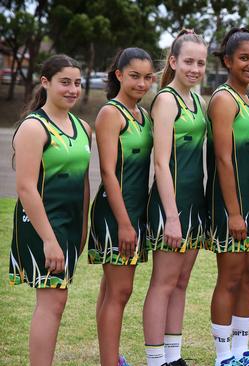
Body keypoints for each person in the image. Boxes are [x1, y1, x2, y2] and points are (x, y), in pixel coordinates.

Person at [9, 54, 91, 365]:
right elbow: (26, 188)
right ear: (45, 83)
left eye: (77, 83)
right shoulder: (34, 127)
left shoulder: (83, 127)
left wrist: (81, 229)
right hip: (42, 226)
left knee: (57, 300)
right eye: (65, 82)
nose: (72, 89)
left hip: (69, 226)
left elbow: (82, 183)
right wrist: (49, 239)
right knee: (52, 302)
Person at [143, 29, 208, 366]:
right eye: (188, 62)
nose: (195, 68)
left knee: (181, 282)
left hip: (194, 204)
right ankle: (156, 360)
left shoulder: (196, 99)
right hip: (172, 206)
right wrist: (171, 215)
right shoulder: (166, 99)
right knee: (164, 283)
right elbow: (161, 162)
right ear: (173, 62)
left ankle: (174, 357)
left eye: (200, 62)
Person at [88, 47, 155, 366]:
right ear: (118, 75)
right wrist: (125, 224)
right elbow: (107, 173)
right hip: (116, 215)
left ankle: (110, 357)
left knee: (111, 289)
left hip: (134, 212)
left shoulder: (143, 113)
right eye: (134, 77)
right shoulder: (110, 113)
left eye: (147, 77)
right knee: (121, 290)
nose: (142, 84)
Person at [206, 28, 249, 366]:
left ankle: (242, 351)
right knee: (229, 278)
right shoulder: (224, 99)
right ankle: (223, 355)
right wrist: (233, 212)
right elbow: (224, 159)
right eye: (244, 58)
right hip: (231, 205)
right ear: (228, 61)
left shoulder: (248, 100)